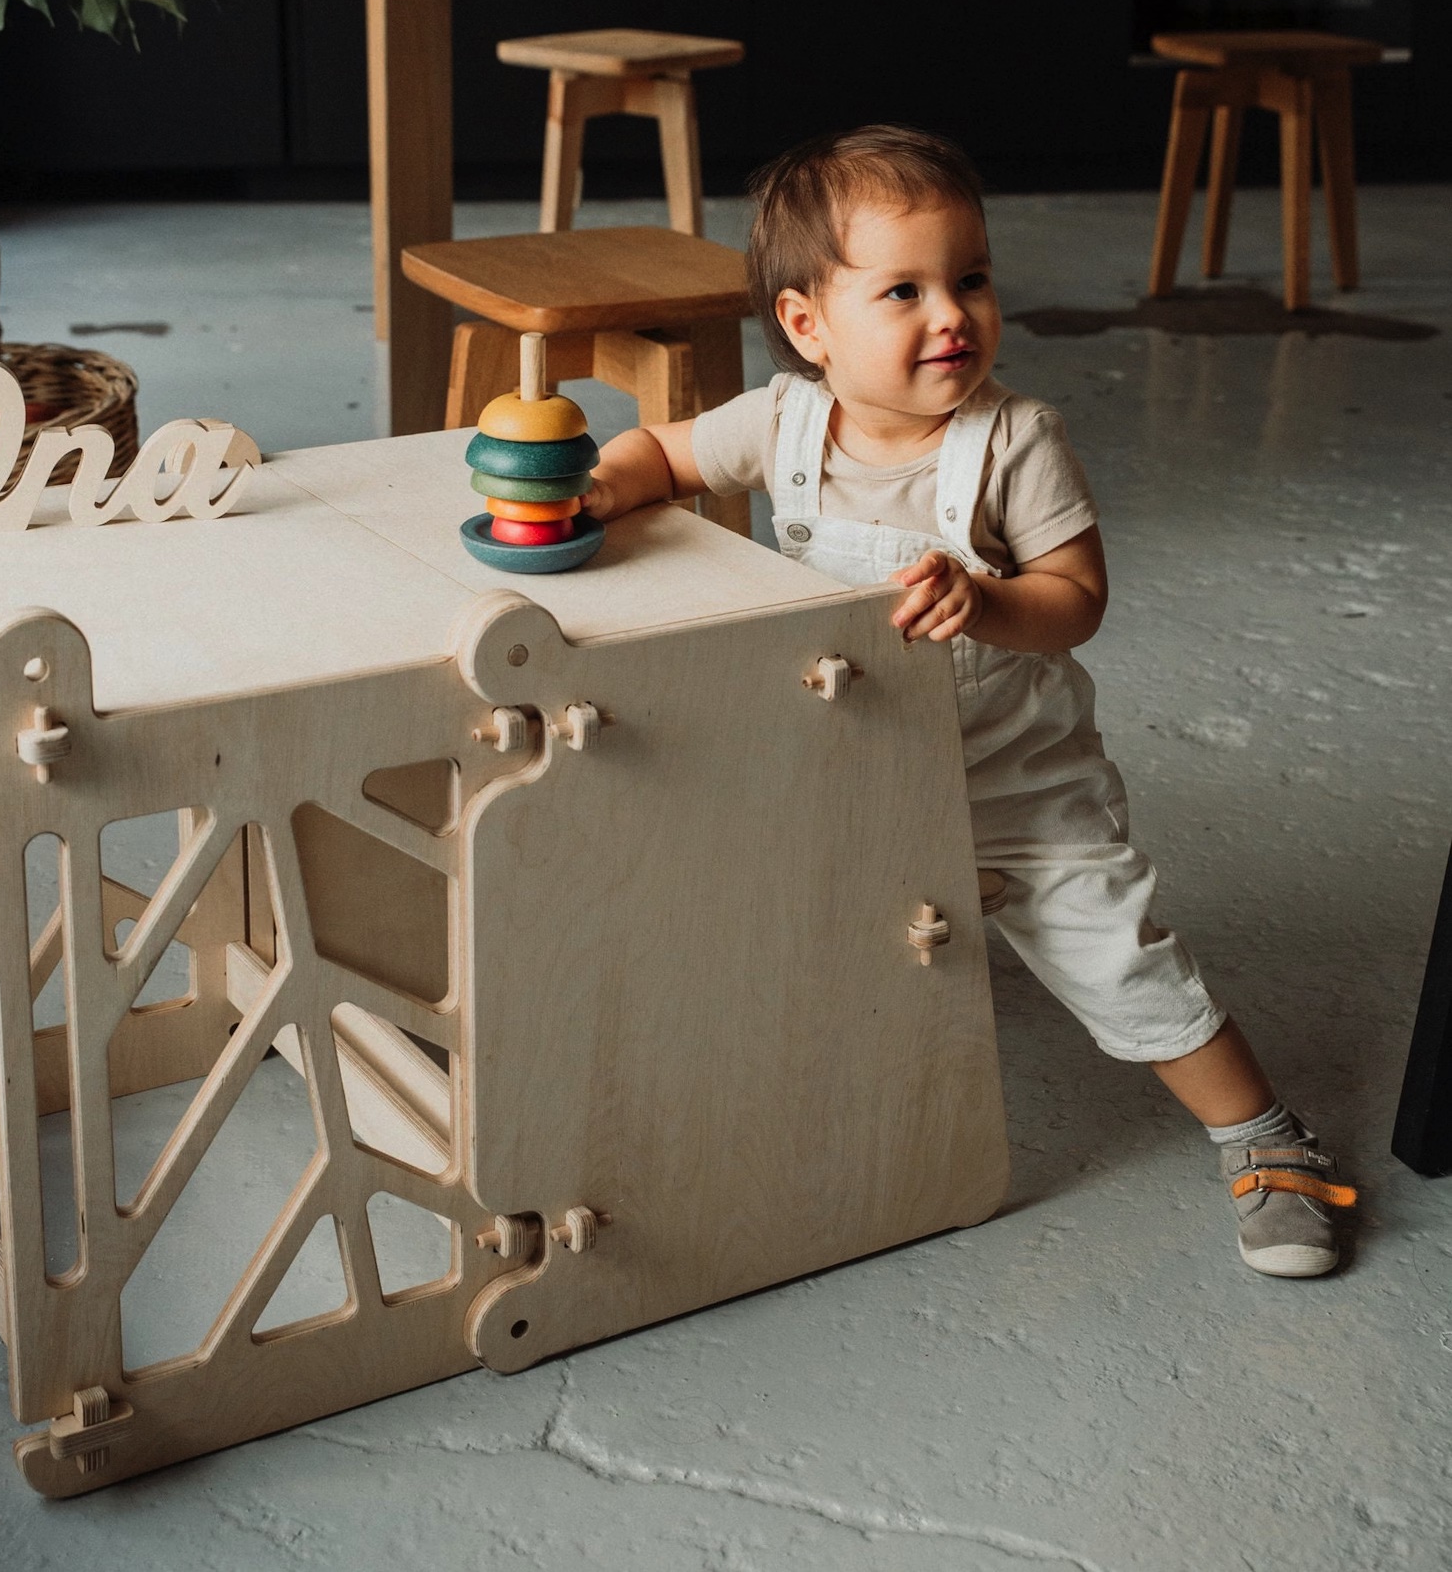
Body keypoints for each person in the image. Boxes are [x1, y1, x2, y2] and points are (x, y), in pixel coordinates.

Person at [581, 124, 1356, 1277]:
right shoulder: (785, 422)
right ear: (807, 326)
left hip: (1013, 783)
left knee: (1116, 955)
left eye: (971, 279)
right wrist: (593, 489)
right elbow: (664, 452)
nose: (952, 316)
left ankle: (1262, 1136)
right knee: (748, 901)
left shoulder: (1016, 442)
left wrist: (987, 602)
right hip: (846, 761)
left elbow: (1075, 598)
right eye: (903, 290)